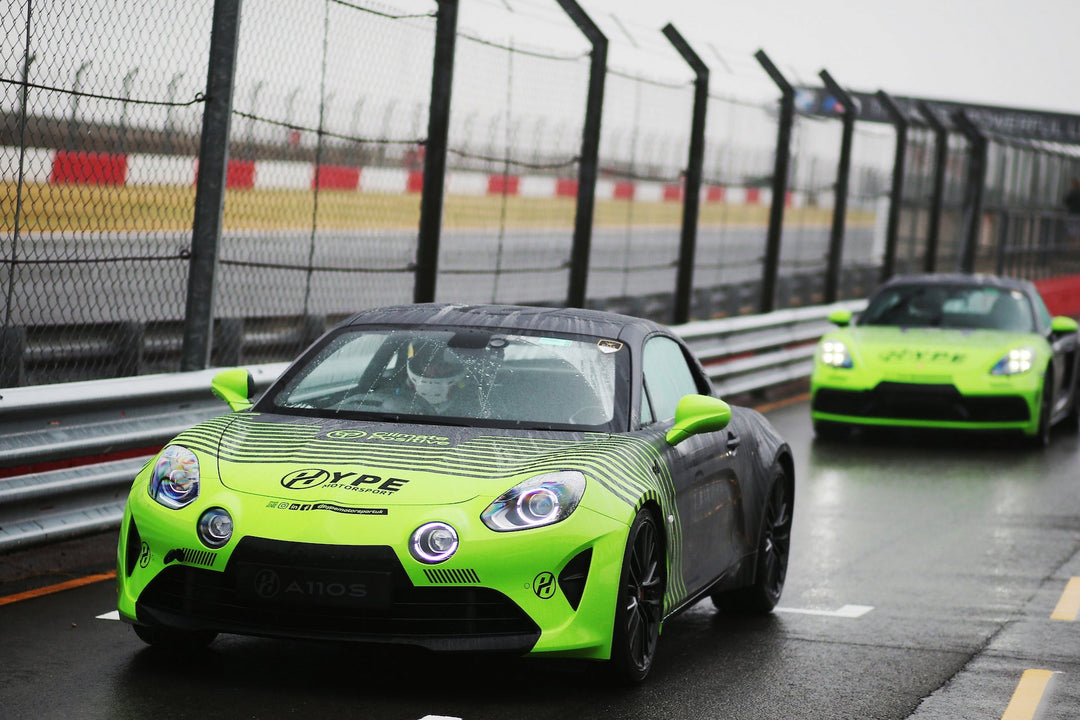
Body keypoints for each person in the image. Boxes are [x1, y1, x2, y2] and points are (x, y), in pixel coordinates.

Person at [1065, 178, 1080, 242]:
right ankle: (1077, 241)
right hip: (1078, 213)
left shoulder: (1072, 193)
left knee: (1072, 227)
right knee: (1077, 228)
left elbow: (1066, 201)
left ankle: (1073, 241)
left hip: (1073, 213)